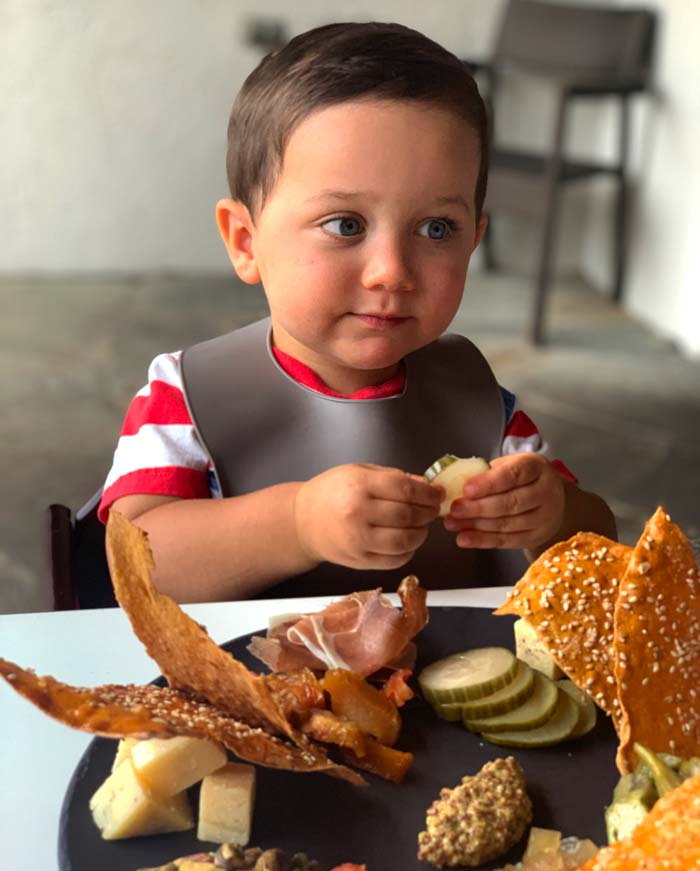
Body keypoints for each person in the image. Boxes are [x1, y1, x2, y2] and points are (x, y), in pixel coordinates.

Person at [98, 22, 616, 602]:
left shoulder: (480, 405)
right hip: (250, 689)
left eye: (436, 228)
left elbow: (599, 550)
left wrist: (553, 515)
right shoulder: (186, 398)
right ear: (245, 241)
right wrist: (297, 524)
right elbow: (134, 566)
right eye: (345, 225)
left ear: (474, 241)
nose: (392, 270)